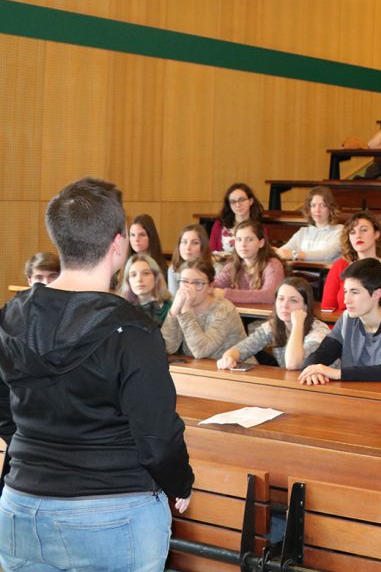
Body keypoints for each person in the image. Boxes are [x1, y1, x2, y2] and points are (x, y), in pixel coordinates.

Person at [0, 177, 193, 572]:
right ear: (118, 244)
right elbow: (156, 438)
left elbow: (4, 412)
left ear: (60, 241)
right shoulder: (134, 330)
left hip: (22, 504)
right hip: (112, 510)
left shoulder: (11, 315)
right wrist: (180, 484)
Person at [299, 258, 381, 384]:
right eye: (345, 291)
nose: (346, 300)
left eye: (354, 292)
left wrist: (339, 374)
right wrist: (311, 369)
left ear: (376, 294)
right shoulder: (346, 320)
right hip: (357, 397)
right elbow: (322, 353)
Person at [217, 278, 331, 370]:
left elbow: (293, 364)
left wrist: (298, 324)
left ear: (306, 306)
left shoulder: (319, 331)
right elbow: (243, 348)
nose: (284, 305)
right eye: (281, 299)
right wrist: (229, 357)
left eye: (293, 300)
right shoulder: (273, 326)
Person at [321, 212, 381, 312]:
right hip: (341, 325)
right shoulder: (340, 266)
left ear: (376, 234)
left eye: (364, 230)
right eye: (352, 232)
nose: (358, 236)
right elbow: (327, 308)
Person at [162, 259, 245, 359]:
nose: (189, 288)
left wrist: (186, 311)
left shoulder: (224, 309)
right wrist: (174, 310)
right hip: (197, 369)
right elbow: (167, 347)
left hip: (234, 369)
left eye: (197, 283)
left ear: (210, 286)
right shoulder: (181, 305)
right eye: (184, 281)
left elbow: (201, 351)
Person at [212, 220, 285, 304]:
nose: (243, 244)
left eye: (249, 239)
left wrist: (225, 293)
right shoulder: (232, 266)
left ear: (261, 243)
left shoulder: (273, 265)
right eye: (239, 239)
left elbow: (270, 295)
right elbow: (214, 286)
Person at [275, 186, 344, 262]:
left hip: (324, 273)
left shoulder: (340, 231)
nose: (317, 210)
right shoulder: (303, 232)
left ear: (330, 208)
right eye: (313, 205)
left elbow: (327, 254)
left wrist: (295, 254)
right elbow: (286, 249)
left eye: (322, 205)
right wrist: (276, 252)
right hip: (299, 272)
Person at [210, 182, 266, 254]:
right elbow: (212, 252)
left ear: (250, 201)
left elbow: (263, 254)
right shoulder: (219, 225)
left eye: (241, 200)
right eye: (233, 202)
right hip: (222, 264)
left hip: (250, 264)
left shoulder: (260, 227)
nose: (238, 205)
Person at [120, 253, 173, 325]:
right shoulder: (122, 310)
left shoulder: (170, 309)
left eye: (145, 273)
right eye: (133, 275)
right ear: (128, 281)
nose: (139, 279)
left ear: (156, 277)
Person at [168, 223, 212, 295]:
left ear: (203, 246)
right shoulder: (173, 269)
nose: (188, 248)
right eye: (184, 242)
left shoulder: (216, 269)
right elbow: (173, 299)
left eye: (195, 243)